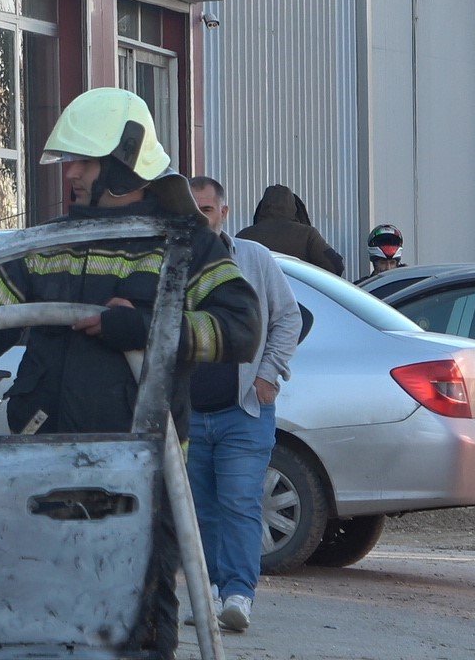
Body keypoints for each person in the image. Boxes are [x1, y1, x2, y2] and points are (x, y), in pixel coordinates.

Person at [0, 88, 262, 658]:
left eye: (80, 161)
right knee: (51, 614)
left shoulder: (184, 246)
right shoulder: (52, 243)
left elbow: (241, 329)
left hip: (140, 471)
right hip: (47, 461)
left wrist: (147, 329)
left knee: (138, 621)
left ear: (121, 166)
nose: (67, 174)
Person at [186, 175, 302, 633]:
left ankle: (238, 596)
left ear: (224, 213)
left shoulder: (252, 259)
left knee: (239, 502)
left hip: (244, 410)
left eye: (208, 211)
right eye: (192, 211)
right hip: (189, 413)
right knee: (199, 508)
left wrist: (268, 376)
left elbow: (288, 317)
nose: (200, 220)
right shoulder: (174, 263)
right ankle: (209, 593)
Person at [237, 185, 344, 276]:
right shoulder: (307, 234)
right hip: (299, 298)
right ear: (294, 206)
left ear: (262, 206)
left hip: (253, 299)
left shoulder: (243, 236)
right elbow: (335, 266)